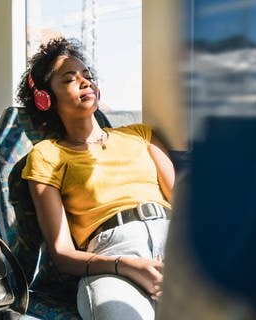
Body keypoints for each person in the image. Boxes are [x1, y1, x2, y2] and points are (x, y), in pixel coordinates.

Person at [16, 37, 175, 320]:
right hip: (113, 261)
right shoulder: (46, 155)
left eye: (88, 76)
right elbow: (62, 253)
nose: (85, 82)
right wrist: (127, 266)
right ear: (46, 98)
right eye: (69, 79)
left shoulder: (140, 134)